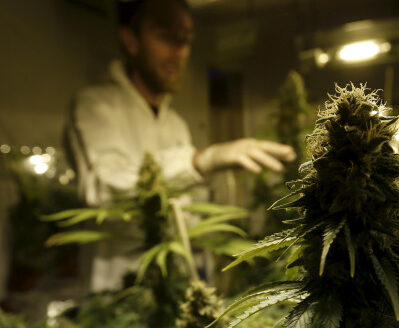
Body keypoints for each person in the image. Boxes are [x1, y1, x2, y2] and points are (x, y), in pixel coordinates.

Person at [66, 0, 296, 291]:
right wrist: (202, 160)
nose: (179, 51)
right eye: (165, 36)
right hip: (119, 285)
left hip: (176, 281)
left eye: (186, 40)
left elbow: (186, 208)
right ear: (131, 40)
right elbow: (104, 186)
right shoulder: (96, 105)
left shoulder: (175, 123)